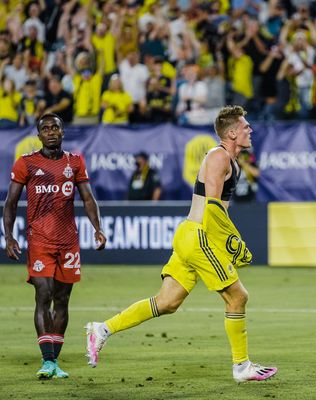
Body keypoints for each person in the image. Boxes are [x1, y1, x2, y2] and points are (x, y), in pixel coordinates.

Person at [85, 105, 278, 383]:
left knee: (167, 302)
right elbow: (212, 206)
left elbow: (216, 209)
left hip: (193, 235)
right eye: (246, 126)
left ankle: (101, 329)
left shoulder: (232, 162)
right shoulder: (218, 156)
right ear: (232, 132)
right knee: (238, 297)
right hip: (199, 236)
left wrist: (227, 241)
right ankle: (241, 366)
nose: (251, 130)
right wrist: (231, 240)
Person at [3, 113, 107, 379]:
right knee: (44, 293)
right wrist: (9, 236)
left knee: (62, 300)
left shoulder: (75, 162)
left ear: (62, 132)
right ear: (38, 135)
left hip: (68, 242)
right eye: (45, 128)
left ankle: (54, 361)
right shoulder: (26, 163)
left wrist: (98, 229)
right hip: (39, 240)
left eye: (55, 127)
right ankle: (47, 360)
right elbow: (11, 203)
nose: (50, 132)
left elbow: (88, 198)